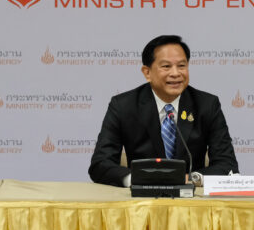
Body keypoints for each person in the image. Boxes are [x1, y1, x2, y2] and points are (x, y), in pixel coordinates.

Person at [89, 35, 239, 187]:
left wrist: (192, 179)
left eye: (181, 66)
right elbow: (100, 164)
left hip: (192, 196)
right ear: (147, 72)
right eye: (166, 66)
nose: (175, 73)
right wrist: (136, 179)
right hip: (141, 197)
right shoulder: (124, 106)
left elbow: (228, 164)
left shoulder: (207, 105)